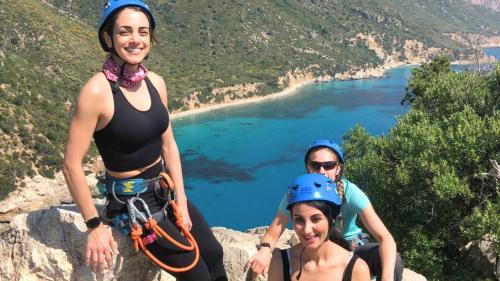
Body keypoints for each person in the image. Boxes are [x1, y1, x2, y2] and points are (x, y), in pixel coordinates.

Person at [62, 1, 227, 280]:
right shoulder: (97, 92)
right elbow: (71, 164)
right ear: (107, 37)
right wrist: (94, 226)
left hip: (165, 193)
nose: (136, 40)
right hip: (133, 205)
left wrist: (182, 201)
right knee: (195, 273)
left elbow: (168, 145)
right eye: (125, 32)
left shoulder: (156, 83)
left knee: (214, 253)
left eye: (143, 31)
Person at [248, 140, 403, 281]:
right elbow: (274, 231)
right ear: (308, 167)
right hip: (315, 249)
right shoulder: (299, 194)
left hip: (353, 249)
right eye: (315, 165)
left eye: (328, 165)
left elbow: (385, 238)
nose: (321, 171)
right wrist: (265, 250)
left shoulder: (350, 192)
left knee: (393, 259)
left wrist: (387, 278)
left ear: (338, 169)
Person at [268, 173, 370, 281]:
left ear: (331, 219)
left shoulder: (356, 269)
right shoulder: (281, 262)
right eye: (299, 219)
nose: (307, 230)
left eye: (316, 219)